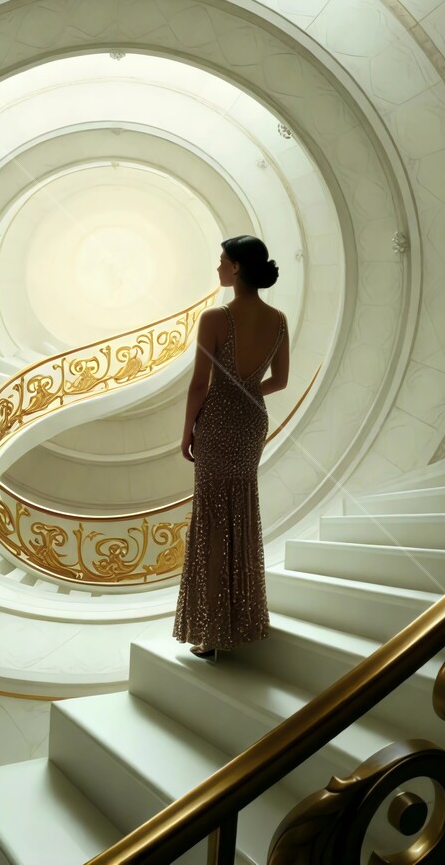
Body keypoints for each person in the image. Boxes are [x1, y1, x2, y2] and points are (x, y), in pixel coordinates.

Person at [174, 235, 289, 659]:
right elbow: (280, 381)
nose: (218, 268)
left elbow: (199, 385)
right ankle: (242, 621)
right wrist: (245, 389)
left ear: (237, 267)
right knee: (240, 514)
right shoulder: (278, 320)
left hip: (218, 422)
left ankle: (212, 631)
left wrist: (187, 431)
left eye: (222, 261)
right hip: (251, 421)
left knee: (210, 521)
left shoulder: (215, 317)